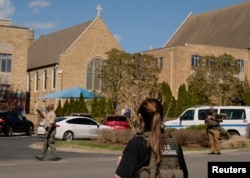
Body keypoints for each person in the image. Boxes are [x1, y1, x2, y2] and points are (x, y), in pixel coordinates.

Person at [114, 98, 188, 178]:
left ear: (140, 117)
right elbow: (185, 174)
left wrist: (121, 166)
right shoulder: (174, 145)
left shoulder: (136, 144)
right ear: (161, 117)